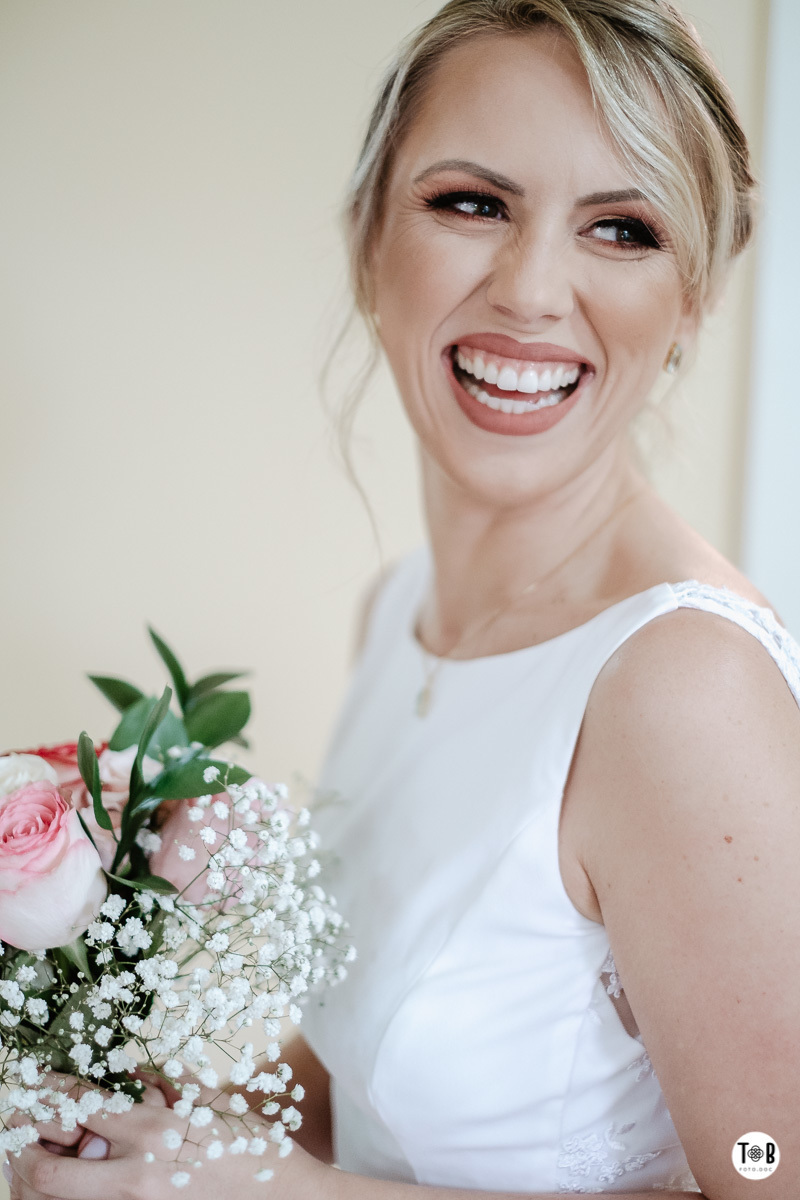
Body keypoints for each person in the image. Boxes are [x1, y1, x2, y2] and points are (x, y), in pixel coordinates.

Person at [7, 2, 799, 1199]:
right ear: (370, 238)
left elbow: (771, 1169)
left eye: (620, 227)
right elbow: (386, 1091)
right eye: (472, 202)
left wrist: (252, 1191)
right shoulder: (403, 615)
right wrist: (148, 1125)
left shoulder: (680, 688)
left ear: (689, 299)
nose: (533, 290)